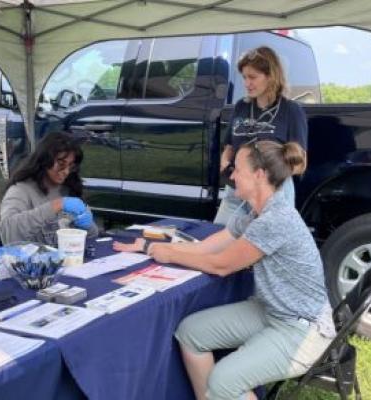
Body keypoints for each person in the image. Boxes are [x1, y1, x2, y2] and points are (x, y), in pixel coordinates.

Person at [113, 140, 334, 400]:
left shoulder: (275, 220)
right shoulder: (256, 215)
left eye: (238, 168)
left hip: (301, 330)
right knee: (191, 333)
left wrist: (170, 254)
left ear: (259, 175)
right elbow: (206, 248)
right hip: (273, 312)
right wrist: (149, 245)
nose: (232, 175)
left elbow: (221, 265)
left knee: (224, 380)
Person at [215, 46, 308, 225]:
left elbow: (300, 164)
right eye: (244, 77)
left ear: (271, 76)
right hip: (236, 191)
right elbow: (229, 147)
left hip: (272, 195)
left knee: (264, 249)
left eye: (253, 77)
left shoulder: (291, 110)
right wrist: (224, 164)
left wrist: (265, 179)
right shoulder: (241, 106)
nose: (246, 83)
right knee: (219, 239)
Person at [0, 131, 100, 245]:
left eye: (71, 166)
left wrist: (88, 225)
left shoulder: (68, 188)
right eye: (61, 164)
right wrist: (56, 205)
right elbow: (8, 235)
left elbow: (92, 237)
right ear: (45, 160)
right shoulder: (20, 191)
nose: (66, 172)